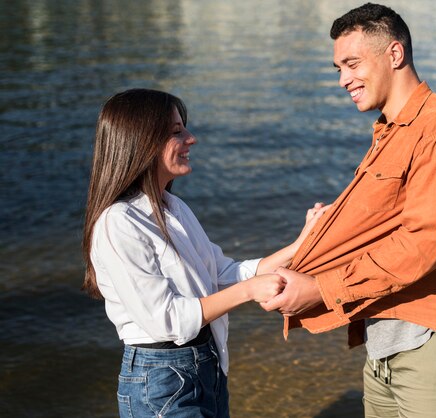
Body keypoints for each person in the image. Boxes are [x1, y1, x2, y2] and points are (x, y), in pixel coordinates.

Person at [262, 3, 436, 417]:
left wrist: (320, 289)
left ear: (394, 54)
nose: (343, 79)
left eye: (352, 63)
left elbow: (424, 244)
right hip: (387, 343)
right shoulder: (393, 133)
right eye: (338, 68)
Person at [81, 88, 326, 418]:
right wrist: (249, 292)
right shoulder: (118, 223)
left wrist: (300, 244)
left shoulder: (174, 208)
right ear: (142, 142)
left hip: (205, 364)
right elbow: (165, 320)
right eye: (176, 132)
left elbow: (223, 274)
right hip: (161, 378)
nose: (191, 139)